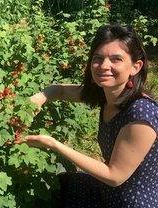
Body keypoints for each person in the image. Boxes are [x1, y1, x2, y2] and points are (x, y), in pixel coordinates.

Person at [24, 24, 158, 207]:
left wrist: (53, 144)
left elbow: (114, 176)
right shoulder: (106, 94)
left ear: (136, 67)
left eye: (116, 59)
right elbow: (61, 91)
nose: (104, 66)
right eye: (98, 58)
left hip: (130, 202)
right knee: (60, 185)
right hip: (108, 192)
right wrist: (40, 97)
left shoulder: (141, 114)